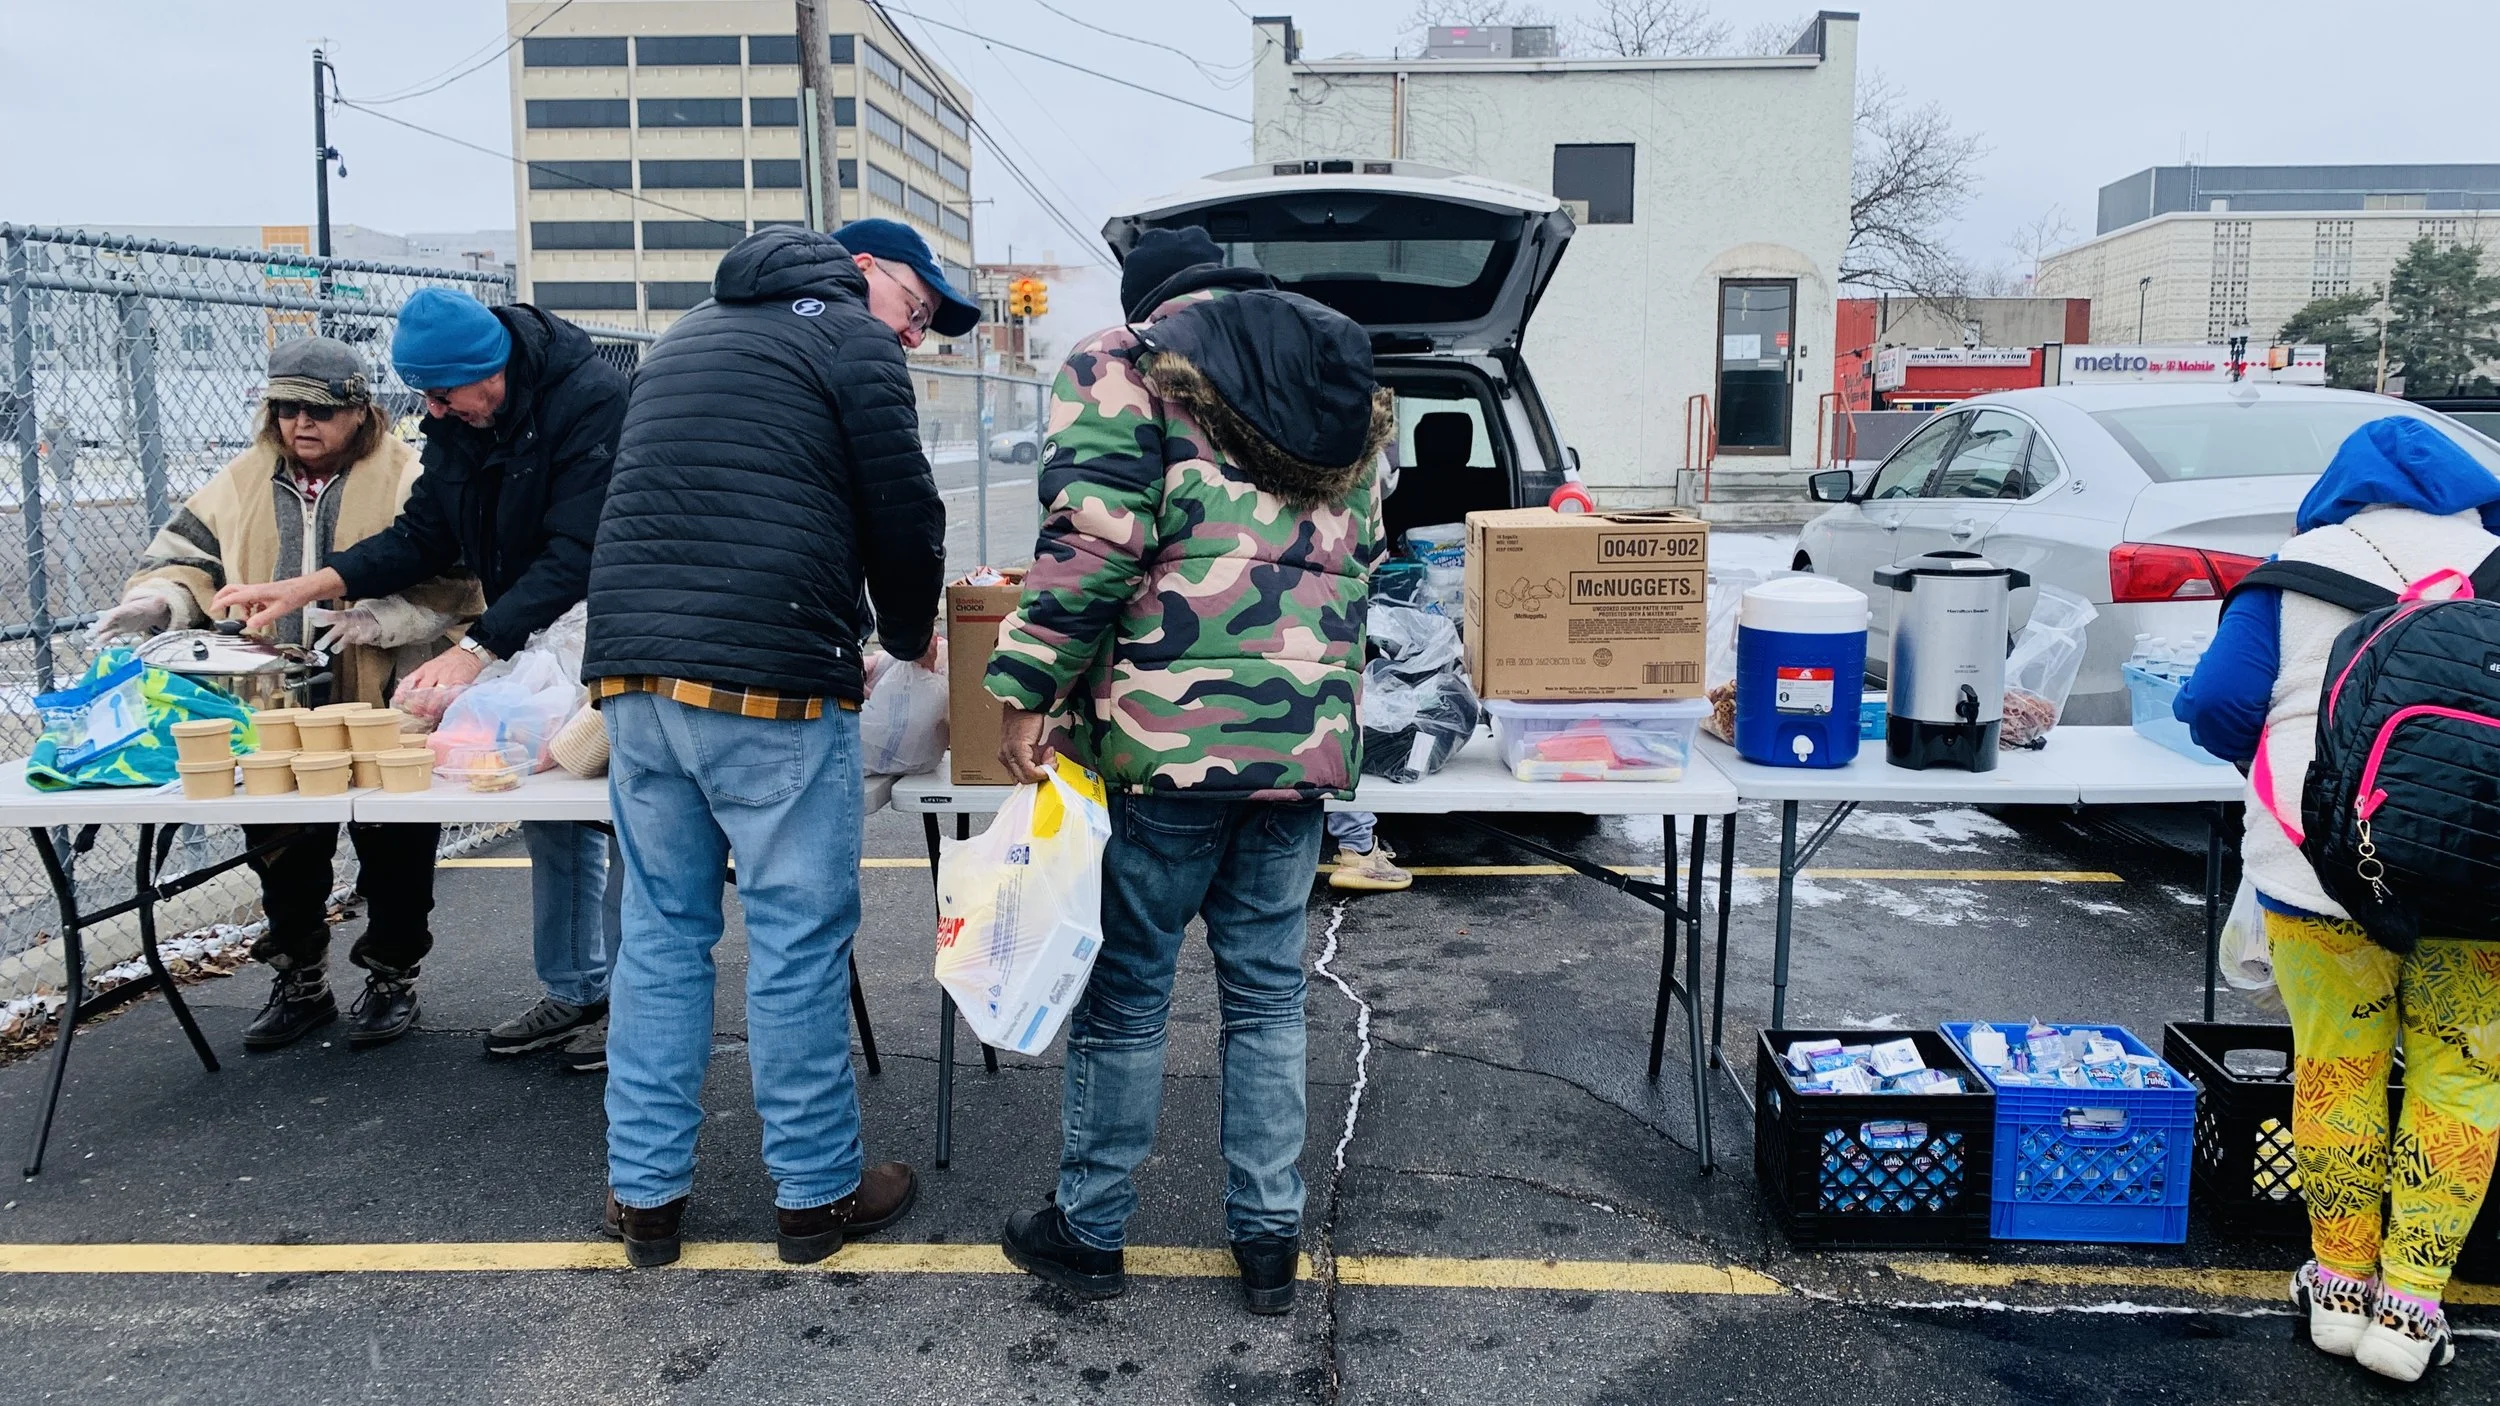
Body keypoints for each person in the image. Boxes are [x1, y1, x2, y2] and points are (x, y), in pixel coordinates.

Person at [986, 226, 1391, 1314]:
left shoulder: (1124, 361)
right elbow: (1367, 555)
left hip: (1167, 738)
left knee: (1126, 995)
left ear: (1155, 300)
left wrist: (1027, 685)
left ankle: (1090, 1226)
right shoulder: (1341, 376)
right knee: (1263, 998)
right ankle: (1268, 1240)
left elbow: (1094, 541)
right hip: (1299, 745)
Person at [582, 219, 966, 1268]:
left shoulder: (692, 330)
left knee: (661, 934)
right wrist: (905, 633)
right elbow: (902, 506)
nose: (916, 337)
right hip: (768, 675)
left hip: (631, 673)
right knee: (797, 935)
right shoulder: (851, 339)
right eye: (919, 312)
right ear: (868, 273)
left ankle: (646, 1198)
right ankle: (813, 1196)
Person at [217, 289, 628, 1070]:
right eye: (428, 399)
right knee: (551, 812)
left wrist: (478, 647)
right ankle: (578, 989)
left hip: (616, 626)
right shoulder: (460, 420)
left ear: (492, 371)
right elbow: (423, 536)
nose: (435, 413)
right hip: (533, 634)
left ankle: (638, 1014)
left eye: (444, 396)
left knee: (627, 815)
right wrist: (309, 586)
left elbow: (582, 552)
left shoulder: (591, 402)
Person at [2176, 416, 2500, 1383]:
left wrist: (2299, 771)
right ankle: (2411, 1305)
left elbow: (2218, 708)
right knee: (2465, 1078)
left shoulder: (2295, 570)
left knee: (2338, 1069)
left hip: (2318, 873)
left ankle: (2338, 1284)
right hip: (2480, 879)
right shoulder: (2496, 563)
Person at [95, 337, 481, 1048]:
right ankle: (300, 977)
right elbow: (185, 561)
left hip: (382, 703)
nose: (302, 423)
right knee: (281, 851)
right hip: (271, 710)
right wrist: (157, 603)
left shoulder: (409, 475)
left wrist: (383, 618)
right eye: (287, 408)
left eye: (320, 410)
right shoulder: (240, 480)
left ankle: (393, 976)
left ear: (360, 412)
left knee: (397, 851)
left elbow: (459, 584)